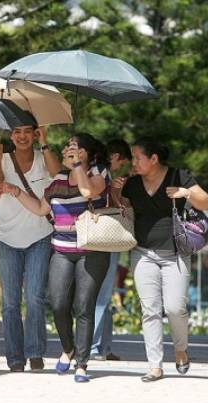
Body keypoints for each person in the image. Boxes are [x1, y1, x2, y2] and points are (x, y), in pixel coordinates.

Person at [0, 133, 111, 383]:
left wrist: (78, 167)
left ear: (85, 154)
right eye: (68, 146)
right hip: (62, 248)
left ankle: (81, 363)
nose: (67, 150)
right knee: (58, 303)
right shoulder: (59, 179)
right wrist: (15, 191)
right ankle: (68, 348)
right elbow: (41, 209)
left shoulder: (98, 174)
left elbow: (87, 191)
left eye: (74, 147)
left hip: (92, 251)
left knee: (83, 306)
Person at [112, 137, 208, 382]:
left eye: (137, 158)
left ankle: (180, 349)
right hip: (143, 253)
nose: (132, 162)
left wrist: (185, 193)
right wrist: (115, 190)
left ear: (154, 159)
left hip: (175, 254)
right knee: (150, 310)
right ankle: (154, 365)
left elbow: (205, 202)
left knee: (175, 308)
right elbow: (118, 207)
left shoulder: (179, 176)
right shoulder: (132, 184)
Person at [0, 118, 53, 372]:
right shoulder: (2, 158)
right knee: (10, 302)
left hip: (39, 235)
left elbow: (59, 172)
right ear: (10, 135)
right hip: (7, 237)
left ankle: (35, 352)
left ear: (36, 134)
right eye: (17, 132)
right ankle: (15, 358)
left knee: (35, 297)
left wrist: (46, 141)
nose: (22, 136)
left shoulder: (44, 158)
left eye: (28, 131)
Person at [90, 139, 132, 361]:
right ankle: (95, 347)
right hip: (105, 238)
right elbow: (111, 207)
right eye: (121, 161)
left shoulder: (95, 171)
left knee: (103, 295)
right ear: (114, 156)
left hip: (101, 239)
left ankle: (103, 346)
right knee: (101, 295)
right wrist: (115, 193)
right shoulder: (101, 173)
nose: (121, 167)